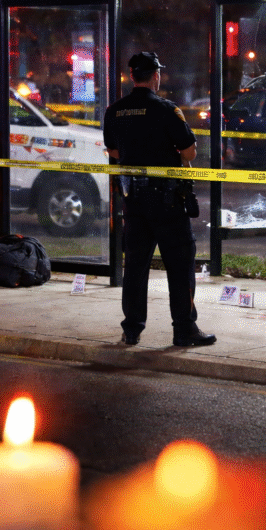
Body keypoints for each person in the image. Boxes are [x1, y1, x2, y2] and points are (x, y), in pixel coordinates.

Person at [103, 52, 216, 348]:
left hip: (133, 201)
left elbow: (114, 152)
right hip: (166, 202)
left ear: (131, 76)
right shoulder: (166, 109)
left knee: (136, 267)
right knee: (179, 266)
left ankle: (132, 329)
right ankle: (184, 330)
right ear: (156, 76)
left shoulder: (115, 111)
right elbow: (190, 152)